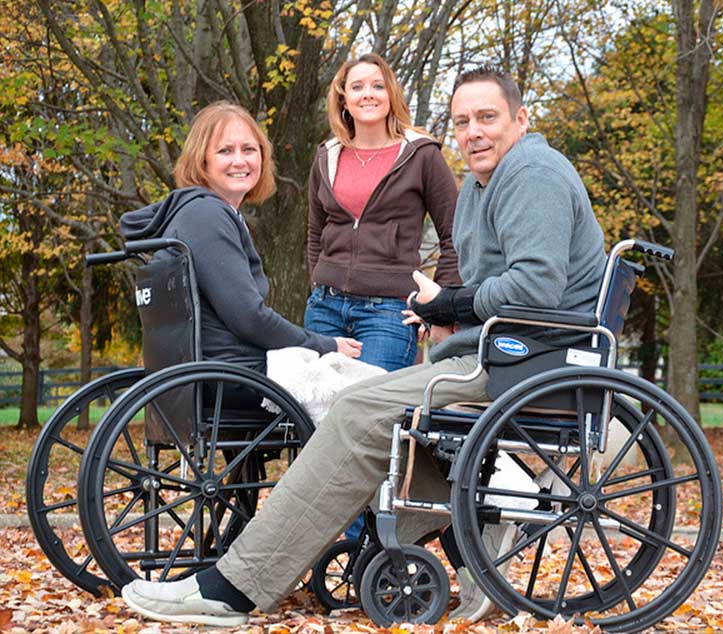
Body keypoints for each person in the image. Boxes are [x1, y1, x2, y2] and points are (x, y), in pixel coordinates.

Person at [119, 66, 607, 628]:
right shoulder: (485, 182)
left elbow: (533, 287)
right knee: (377, 408)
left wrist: (445, 304)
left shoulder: (532, 174)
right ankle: (477, 533)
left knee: (355, 410)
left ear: (521, 118)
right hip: (502, 355)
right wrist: (446, 307)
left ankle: (236, 586)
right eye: (462, 121)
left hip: (529, 363)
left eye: (487, 118)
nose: (473, 131)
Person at [304, 52, 460, 540]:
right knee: (316, 426)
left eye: (377, 85)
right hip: (325, 308)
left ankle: (366, 547)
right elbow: (314, 231)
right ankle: (324, 541)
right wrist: (319, 279)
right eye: (357, 86)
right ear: (343, 97)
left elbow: (456, 236)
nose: (367, 94)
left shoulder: (422, 155)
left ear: (390, 93)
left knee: (375, 429)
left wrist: (438, 308)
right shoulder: (327, 155)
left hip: (389, 311)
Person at [120, 101, 362, 373]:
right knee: (363, 391)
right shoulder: (206, 216)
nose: (240, 161)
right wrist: (326, 345)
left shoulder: (206, 213)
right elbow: (249, 318)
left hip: (220, 368)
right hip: (230, 373)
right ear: (202, 161)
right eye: (225, 151)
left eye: (249, 149)